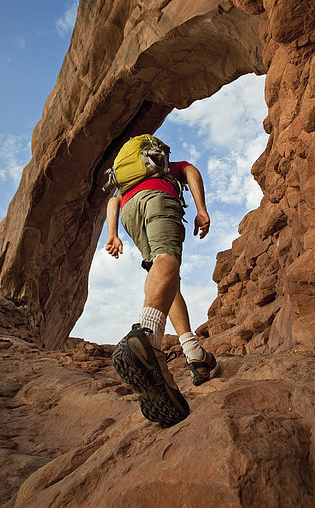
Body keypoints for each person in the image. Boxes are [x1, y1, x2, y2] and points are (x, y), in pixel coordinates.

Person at [105, 149, 216, 426]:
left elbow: (112, 201)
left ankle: (195, 355)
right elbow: (192, 171)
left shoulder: (128, 181)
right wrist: (201, 210)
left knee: (167, 278)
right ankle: (148, 340)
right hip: (158, 199)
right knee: (168, 259)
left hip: (130, 212)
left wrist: (113, 234)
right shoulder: (167, 169)